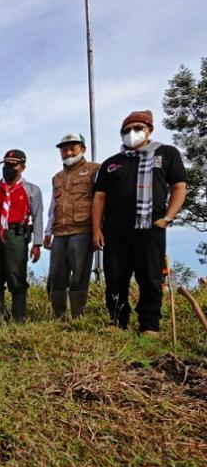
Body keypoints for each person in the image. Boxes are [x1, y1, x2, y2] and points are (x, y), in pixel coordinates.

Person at [92, 110, 187, 335]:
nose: (131, 133)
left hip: (150, 228)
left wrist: (167, 218)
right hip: (115, 230)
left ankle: (149, 325)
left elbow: (178, 187)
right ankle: (117, 321)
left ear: (149, 130)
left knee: (150, 277)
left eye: (137, 128)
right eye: (126, 130)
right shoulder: (111, 163)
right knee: (115, 278)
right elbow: (99, 198)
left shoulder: (167, 153)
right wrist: (96, 229)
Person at [0, 150, 43, 323]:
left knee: (16, 275)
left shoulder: (32, 190)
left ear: (22, 167)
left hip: (17, 234)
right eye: (6, 164)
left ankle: (18, 317)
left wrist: (37, 243)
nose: (9, 168)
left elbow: (37, 217)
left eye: (13, 164)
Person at [43, 134, 100, 319]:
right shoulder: (57, 177)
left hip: (82, 230)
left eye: (72, 148)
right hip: (60, 232)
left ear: (82, 149)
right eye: (63, 149)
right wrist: (48, 231)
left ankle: (78, 316)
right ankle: (58, 316)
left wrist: (98, 229)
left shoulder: (94, 170)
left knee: (79, 276)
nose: (67, 152)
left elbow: (101, 200)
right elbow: (53, 205)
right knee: (57, 276)